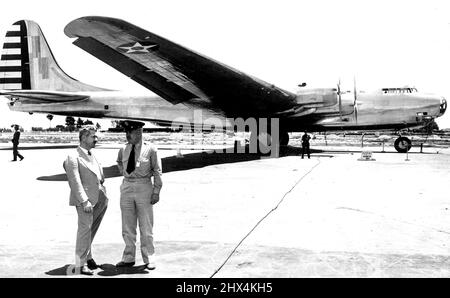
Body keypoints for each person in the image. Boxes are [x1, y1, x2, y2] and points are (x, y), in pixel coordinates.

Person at [116, 120, 162, 270]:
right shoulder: (123, 149)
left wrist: (156, 191)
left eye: (130, 132)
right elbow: (119, 163)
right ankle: (128, 257)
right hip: (127, 186)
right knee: (127, 225)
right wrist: (124, 173)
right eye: (126, 132)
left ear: (139, 132)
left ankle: (149, 258)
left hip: (144, 187)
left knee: (146, 226)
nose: (127, 135)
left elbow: (157, 171)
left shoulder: (151, 150)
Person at [63, 126, 108, 276]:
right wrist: (84, 201)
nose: (96, 139)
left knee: (91, 230)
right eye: (93, 137)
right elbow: (75, 182)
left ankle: (88, 257)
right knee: (84, 230)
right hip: (86, 201)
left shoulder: (91, 154)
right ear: (83, 138)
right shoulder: (73, 157)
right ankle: (80, 264)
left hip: (100, 198)